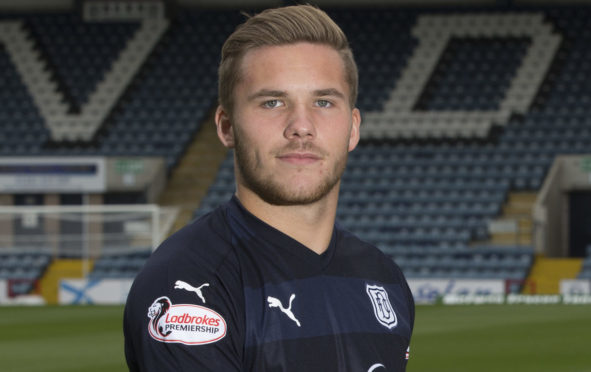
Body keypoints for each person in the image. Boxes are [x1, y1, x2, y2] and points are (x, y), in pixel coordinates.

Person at [124, 5, 414, 371]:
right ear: (227, 126)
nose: (301, 126)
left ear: (353, 127)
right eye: (272, 102)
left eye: (323, 102)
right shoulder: (187, 285)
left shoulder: (383, 277)